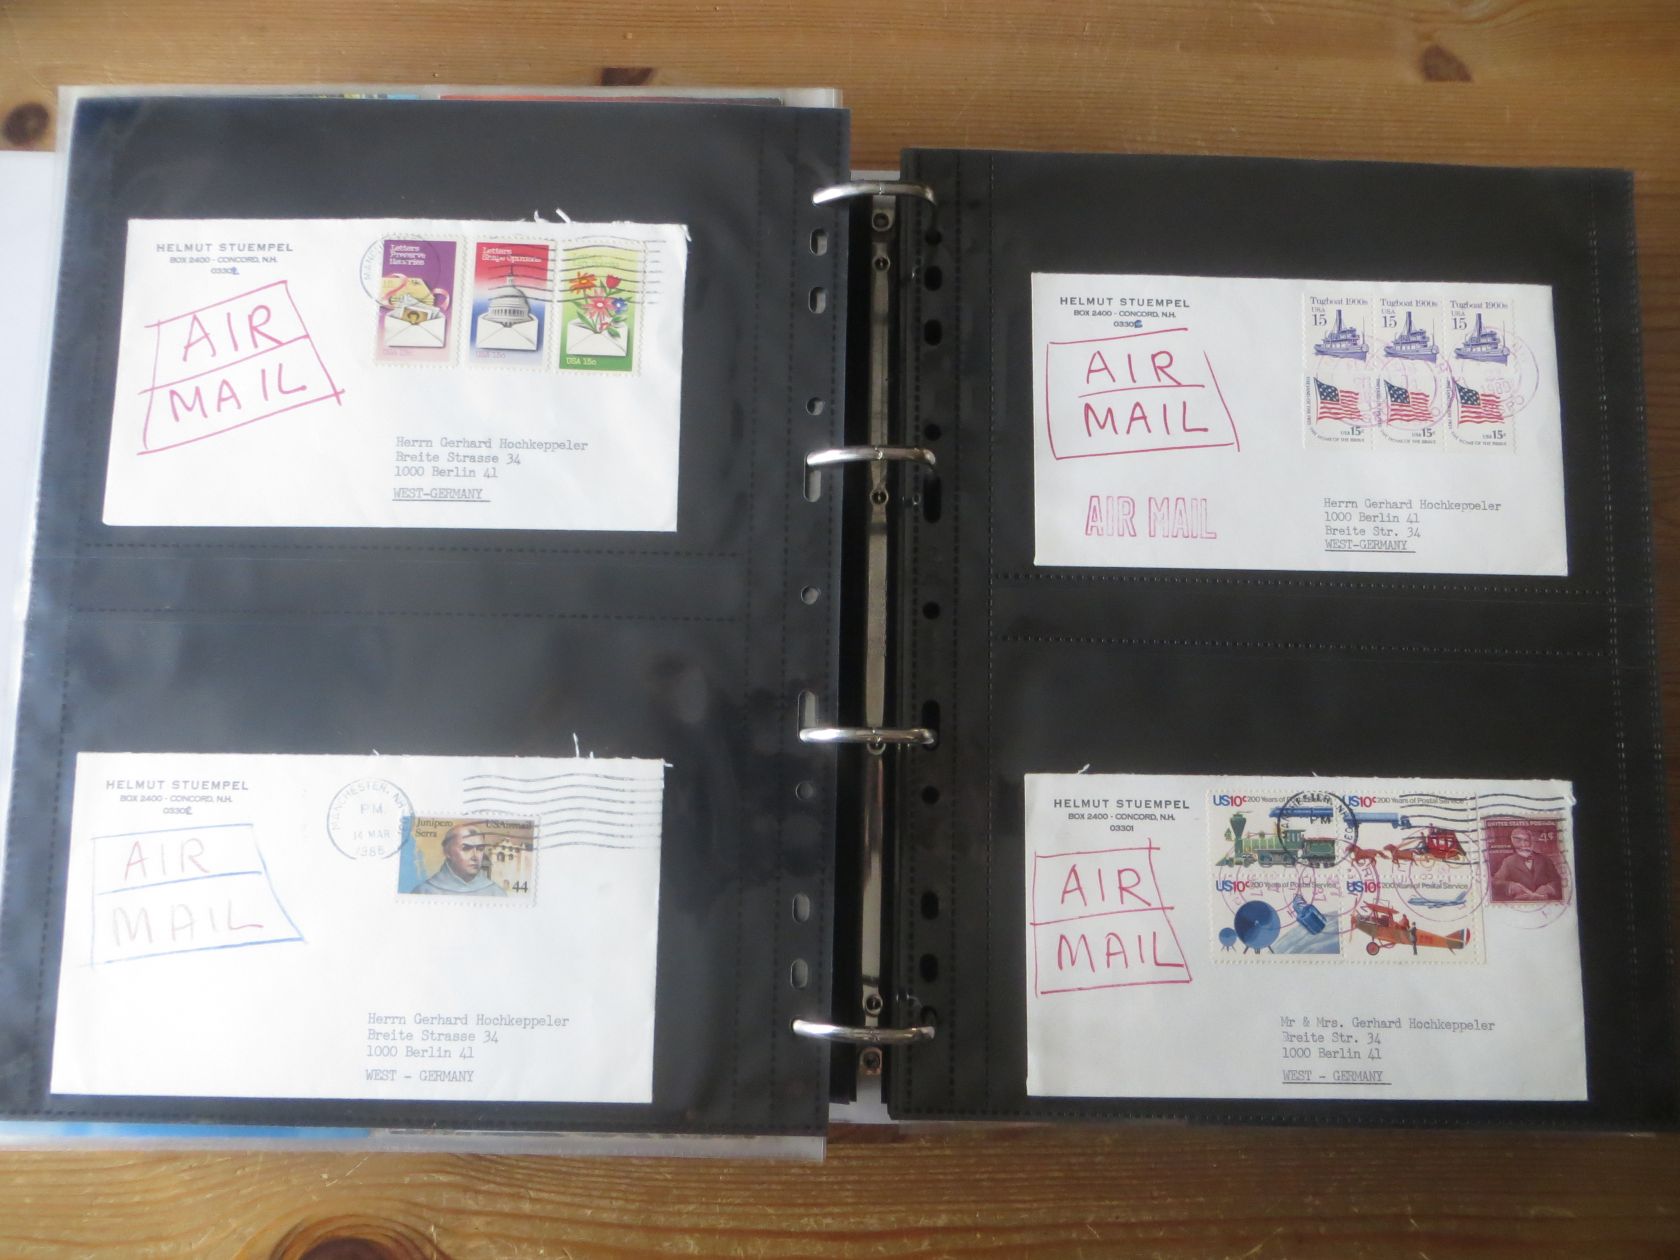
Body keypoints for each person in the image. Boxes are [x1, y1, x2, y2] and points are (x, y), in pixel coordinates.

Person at [412, 822, 508, 897]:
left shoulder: (496, 893)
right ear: (447, 852)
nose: (475, 856)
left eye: (480, 849)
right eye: (466, 848)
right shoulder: (424, 891)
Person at [1492, 827, 1562, 901]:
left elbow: (1558, 881)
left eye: (1526, 840)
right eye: (1518, 841)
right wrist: (1511, 886)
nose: (1523, 844)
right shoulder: (1508, 862)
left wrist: (1549, 888)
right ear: (1513, 843)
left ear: (1531, 841)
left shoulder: (1545, 859)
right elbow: (1495, 882)